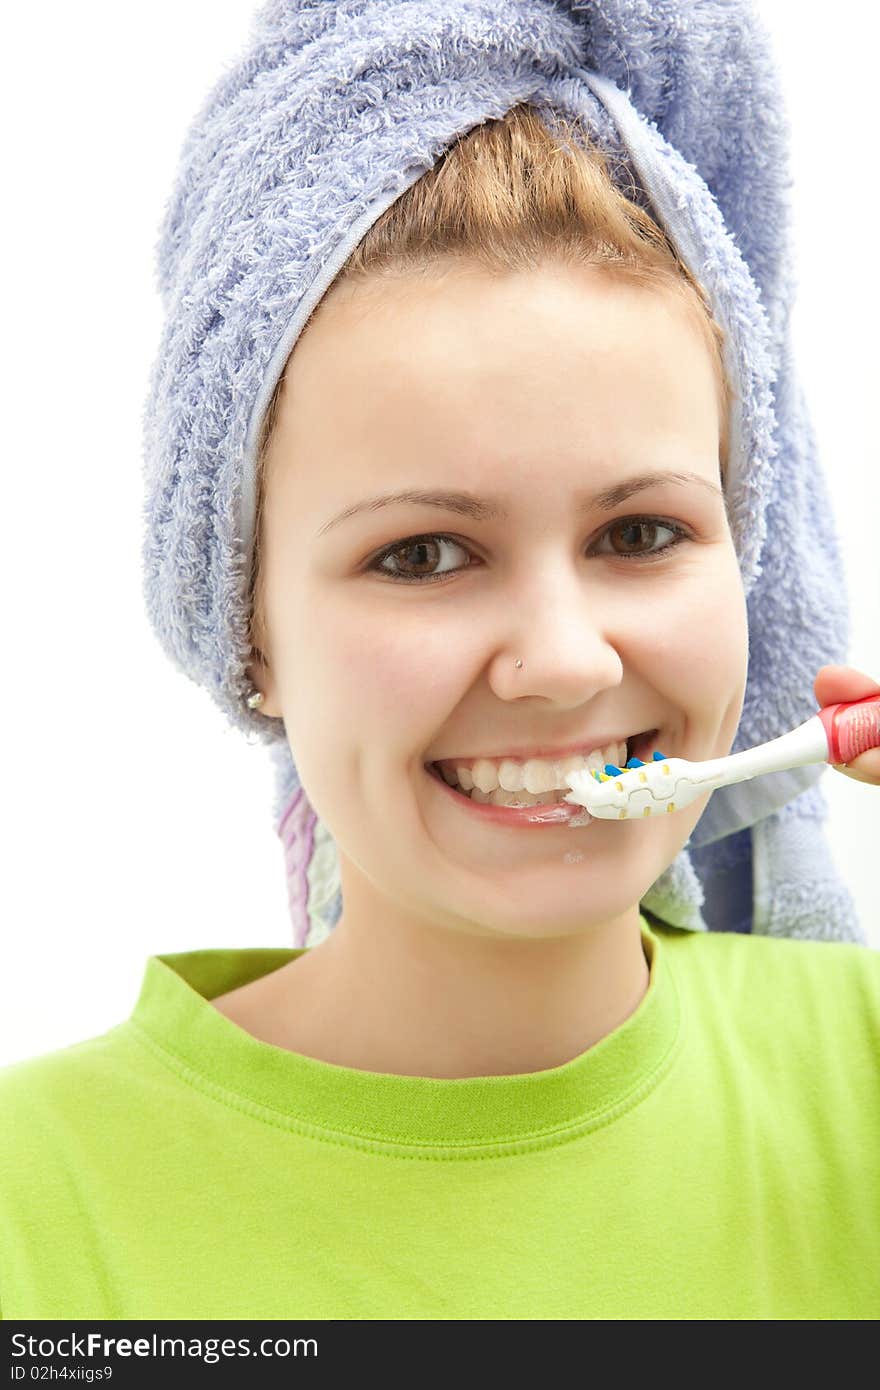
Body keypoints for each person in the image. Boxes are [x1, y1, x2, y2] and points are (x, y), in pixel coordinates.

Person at [1, 0, 878, 1321]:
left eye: (640, 532)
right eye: (423, 554)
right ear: (249, 629)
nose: (565, 658)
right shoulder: (39, 1204)